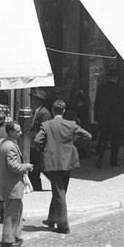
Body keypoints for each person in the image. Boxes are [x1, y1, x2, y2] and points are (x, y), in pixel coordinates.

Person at [34, 99, 90, 234]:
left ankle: (63, 224)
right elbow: (88, 136)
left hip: (53, 161)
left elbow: (37, 140)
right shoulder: (71, 124)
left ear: (53, 111)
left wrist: (44, 148)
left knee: (59, 192)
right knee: (60, 191)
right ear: (63, 111)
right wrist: (73, 143)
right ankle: (51, 219)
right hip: (67, 161)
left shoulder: (47, 125)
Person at [0, 120, 33, 247]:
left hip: (6, 183)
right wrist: (25, 166)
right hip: (12, 184)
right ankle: (8, 239)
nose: (20, 133)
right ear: (10, 132)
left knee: (16, 210)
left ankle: (15, 235)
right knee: (11, 213)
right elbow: (13, 166)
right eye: (18, 131)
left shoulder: (2, 142)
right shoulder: (10, 146)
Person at [93, 69, 124, 166]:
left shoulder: (101, 89)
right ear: (116, 78)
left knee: (102, 139)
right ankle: (113, 161)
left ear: (108, 78)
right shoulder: (120, 89)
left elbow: (97, 103)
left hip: (104, 118)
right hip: (116, 119)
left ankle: (99, 158)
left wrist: (96, 117)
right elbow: (122, 106)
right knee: (115, 141)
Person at [27, 92, 51, 192]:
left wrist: (41, 143)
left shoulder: (44, 113)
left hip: (39, 145)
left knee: (38, 167)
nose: (31, 101)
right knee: (35, 166)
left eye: (33, 99)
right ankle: (35, 185)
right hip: (34, 144)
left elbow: (46, 129)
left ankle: (37, 186)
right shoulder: (37, 111)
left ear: (38, 100)